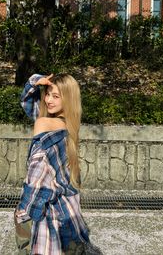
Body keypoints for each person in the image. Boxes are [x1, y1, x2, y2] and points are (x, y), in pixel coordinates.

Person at [15, 73, 102, 255]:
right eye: (47, 94)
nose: (48, 100)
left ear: (68, 99)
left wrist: (24, 209)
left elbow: (36, 174)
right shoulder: (69, 125)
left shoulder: (44, 123)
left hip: (48, 213)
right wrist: (36, 82)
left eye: (56, 96)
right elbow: (28, 104)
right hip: (69, 209)